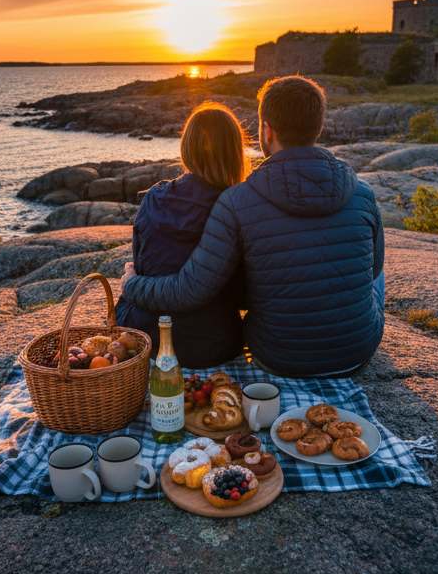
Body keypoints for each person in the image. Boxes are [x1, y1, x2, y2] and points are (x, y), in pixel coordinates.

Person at [121, 76, 384, 379]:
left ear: (267, 130)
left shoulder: (237, 201)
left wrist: (131, 285)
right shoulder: (363, 193)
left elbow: (192, 289)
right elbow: (373, 269)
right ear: (319, 127)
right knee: (375, 275)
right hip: (358, 354)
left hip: (277, 357)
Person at [114, 102, 247, 368]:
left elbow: (141, 263)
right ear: (234, 152)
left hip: (147, 339)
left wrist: (132, 281)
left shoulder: (153, 198)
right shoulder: (236, 207)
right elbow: (243, 291)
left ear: (186, 148)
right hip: (211, 345)